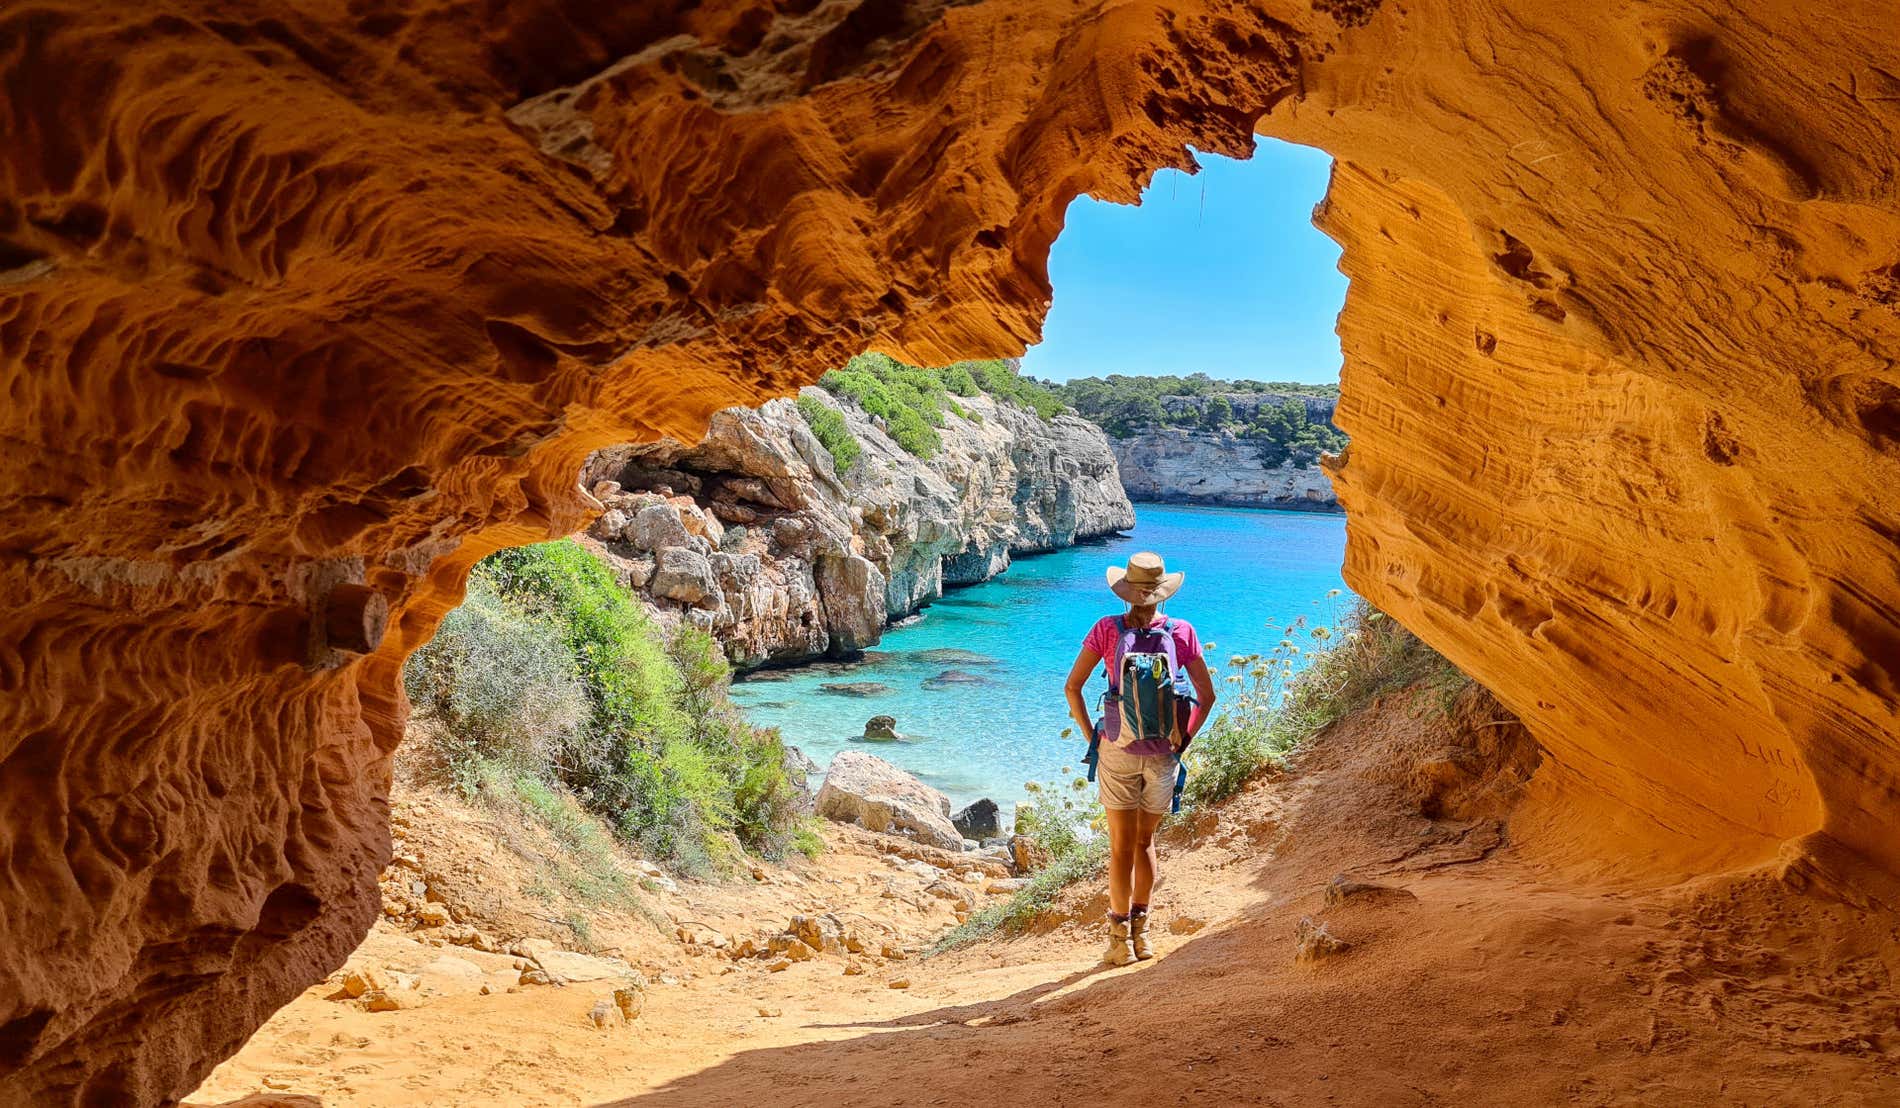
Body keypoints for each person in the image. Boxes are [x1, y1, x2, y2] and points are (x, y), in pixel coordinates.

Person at [1063, 551, 1216, 966]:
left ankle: (1117, 942)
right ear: (1162, 593)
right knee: (1146, 843)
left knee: (1120, 849)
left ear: (1125, 593)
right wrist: (1181, 741)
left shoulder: (1106, 629)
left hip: (1118, 749)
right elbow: (1207, 697)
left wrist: (1094, 737)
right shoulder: (1181, 632)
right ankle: (1143, 935)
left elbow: (1072, 688)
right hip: (1164, 752)